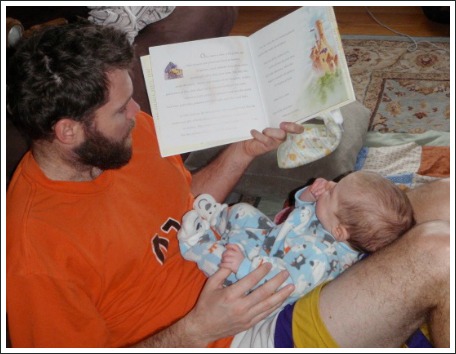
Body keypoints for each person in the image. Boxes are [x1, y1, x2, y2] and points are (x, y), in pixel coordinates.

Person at [5, 23, 449, 348]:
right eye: (121, 108)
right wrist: (198, 329)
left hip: (266, 259)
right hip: (234, 334)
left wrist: (241, 152)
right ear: (68, 132)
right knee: (437, 254)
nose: (138, 111)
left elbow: (184, 201)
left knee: (446, 200)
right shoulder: (33, 250)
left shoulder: (130, 134)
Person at [178, 171, 415, 307]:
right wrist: (310, 195)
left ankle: (196, 242)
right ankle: (218, 217)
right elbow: (301, 211)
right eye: (337, 183)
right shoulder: (331, 221)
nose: (329, 184)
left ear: (339, 232)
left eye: (333, 191)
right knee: (243, 210)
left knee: (223, 262)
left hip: (260, 278)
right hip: (272, 241)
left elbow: (282, 284)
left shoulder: (320, 261)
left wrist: (244, 267)